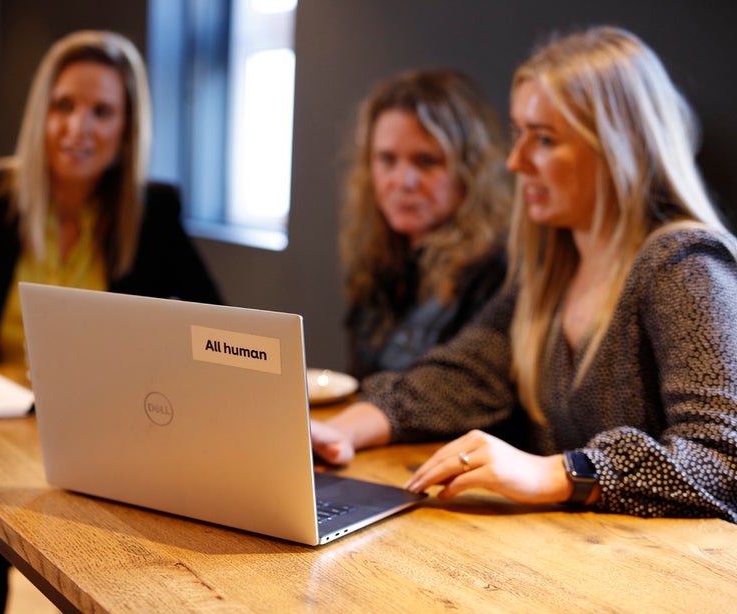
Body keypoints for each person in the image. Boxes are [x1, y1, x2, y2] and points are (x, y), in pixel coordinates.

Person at [311, 26, 737, 522]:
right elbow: (460, 377)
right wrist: (342, 429)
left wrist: (554, 473)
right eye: (519, 135)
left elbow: (723, 458)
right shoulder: (552, 272)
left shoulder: (685, 265)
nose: (516, 162)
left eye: (545, 139)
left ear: (618, 147)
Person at [0, 30, 221, 612]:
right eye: (64, 105)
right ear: (40, 112)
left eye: (102, 111)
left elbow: (212, 325)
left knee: (147, 574)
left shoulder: (153, 211)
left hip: (109, 442)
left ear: (127, 128)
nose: (79, 128)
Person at [340, 69, 512, 380]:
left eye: (427, 161)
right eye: (387, 160)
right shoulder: (380, 259)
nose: (403, 182)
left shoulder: (494, 274)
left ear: (468, 171)